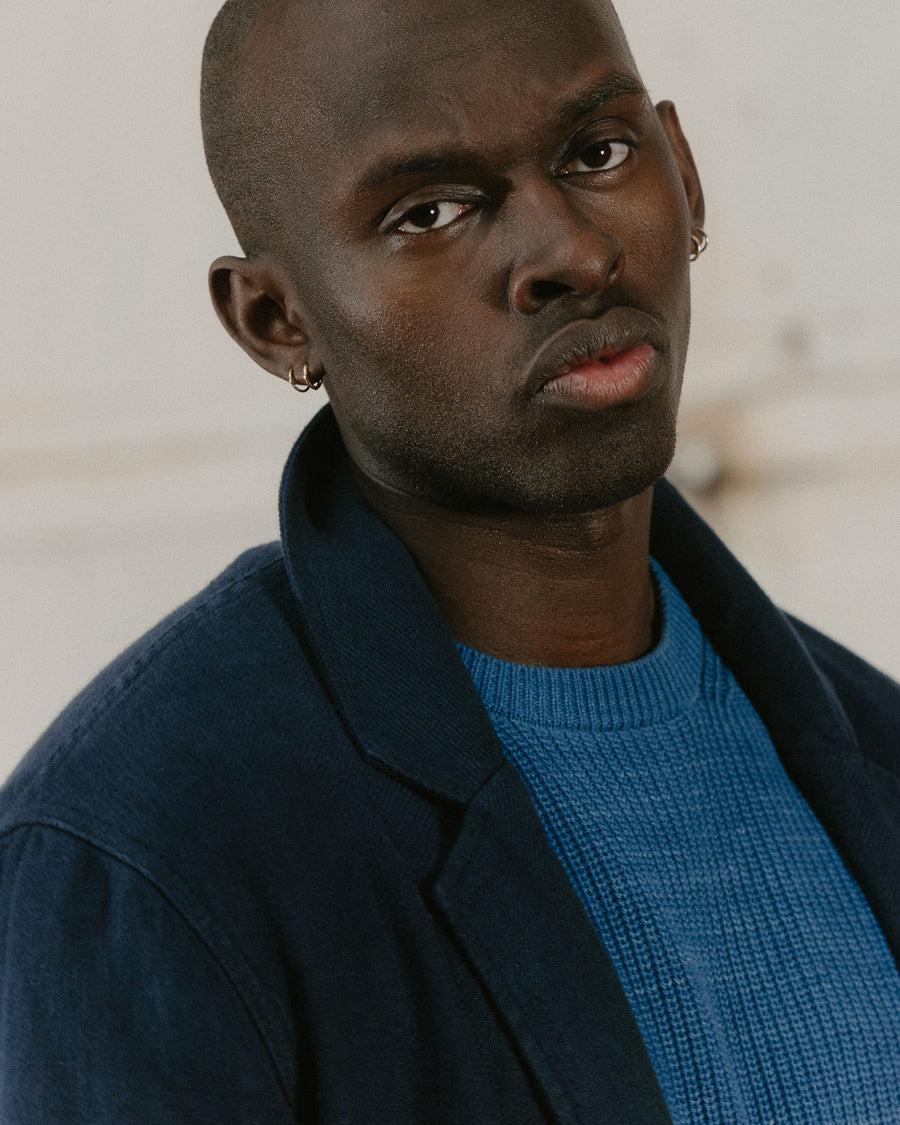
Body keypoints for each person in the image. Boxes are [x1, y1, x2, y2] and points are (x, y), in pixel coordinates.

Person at [1, 0, 899, 1120]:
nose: (571, 252)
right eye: (428, 211)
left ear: (688, 173)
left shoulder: (875, 751)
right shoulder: (141, 857)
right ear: (278, 321)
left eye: (601, 153)